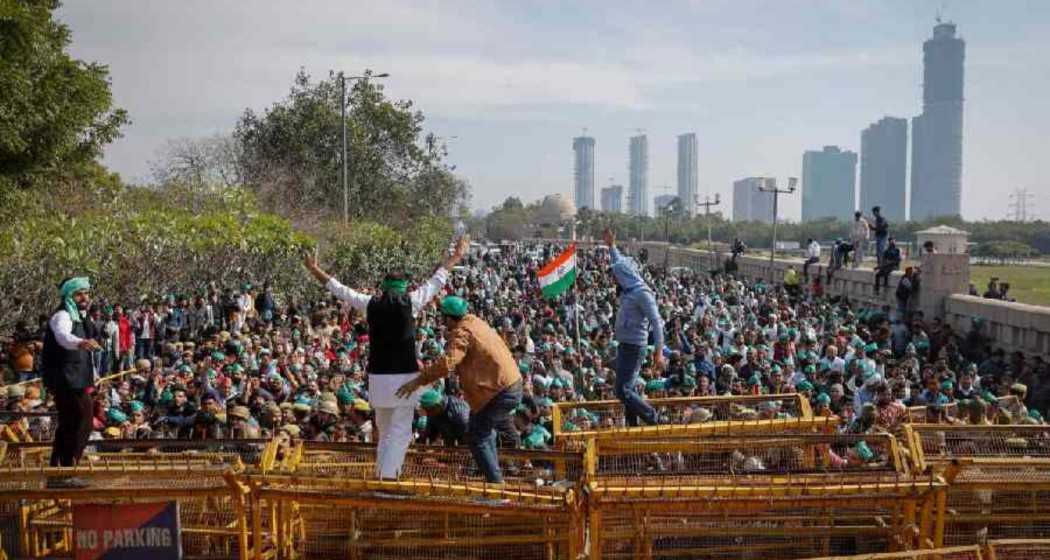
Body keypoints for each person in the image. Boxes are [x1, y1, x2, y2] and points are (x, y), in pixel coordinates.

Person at [303, 235, 469, 480]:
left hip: (378, 379)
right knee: (400, 432)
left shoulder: (370, 303)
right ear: (405, 287)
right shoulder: (411, 301)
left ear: (384, 286)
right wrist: (456, 256)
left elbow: (339, 289)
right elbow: (438, 279)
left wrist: (314, 268)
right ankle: (388, 480)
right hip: (404, 378)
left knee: (385, 429)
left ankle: (382, 474)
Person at [397, 296, 523, 483]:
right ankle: (495, 477)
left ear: (449, 318)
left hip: (499, 391)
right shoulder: (475, 322)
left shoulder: (462, 332)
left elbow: (448, 364)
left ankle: (496, 484)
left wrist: (418, 381)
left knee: (476, 435)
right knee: (481, 430)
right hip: (507, 386)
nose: (442, 322)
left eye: (443, 318)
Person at [41, 276, 100, 488]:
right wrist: (81, 342)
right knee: (83, 420)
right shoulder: (62, 315)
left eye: (86, 293)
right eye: (79, 293)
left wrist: (95, 373)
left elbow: (91, 342)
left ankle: (59, 472)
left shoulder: (80, 317)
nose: (84, 297)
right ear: (69, 295)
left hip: (76, 377)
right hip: (66, 378)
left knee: (69, 424)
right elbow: (63, 337)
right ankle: (66, 470)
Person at [602, 229, 663, 426]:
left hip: (635, 347)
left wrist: (659, 352)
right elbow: (619, 261)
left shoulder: (642, 293)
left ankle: (653, 418)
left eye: (616, 275)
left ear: (623, 276)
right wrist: (611, 246)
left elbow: (657, 322)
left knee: (622, 391)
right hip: (624, 345)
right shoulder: (628, 289)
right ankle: (632, 424)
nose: (614, 279)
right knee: (626, 388)